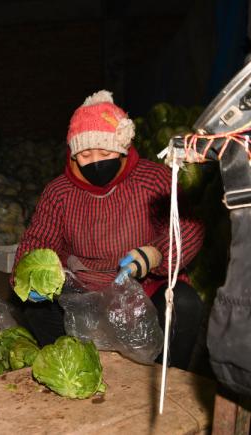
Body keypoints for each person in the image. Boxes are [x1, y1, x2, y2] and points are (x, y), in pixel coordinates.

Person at [11, 90, 205, 370]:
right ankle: (76, 367)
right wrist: (31, 277)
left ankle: (167, 378)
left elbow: (188, 225)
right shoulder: (59, 193)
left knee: (184, 304)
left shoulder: (153, 179)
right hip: (82, 292)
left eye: (105, 152)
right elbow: (38, 240)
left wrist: (156, 255)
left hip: (142, 288)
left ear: (123, 148)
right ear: (73, 155)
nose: (96, 161)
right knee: (35, 308)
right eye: (85, 154)